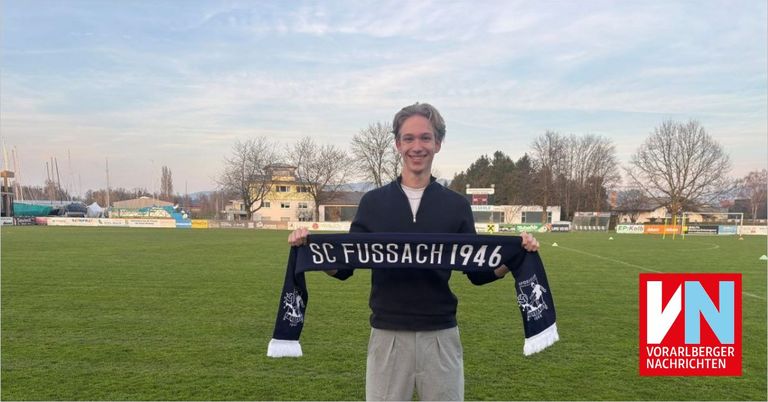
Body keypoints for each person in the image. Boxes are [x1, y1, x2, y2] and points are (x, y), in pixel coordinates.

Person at [288, 102, 539, 401]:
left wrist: (516, 257)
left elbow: (477, 273)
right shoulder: (373, 202)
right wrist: (309, 249)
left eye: (425, 137)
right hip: (388, 336)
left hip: (441, 335)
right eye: (408, 138)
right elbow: (343, 267)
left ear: (438, 143)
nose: (416, 146)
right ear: (397, 144)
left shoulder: (456, 205)